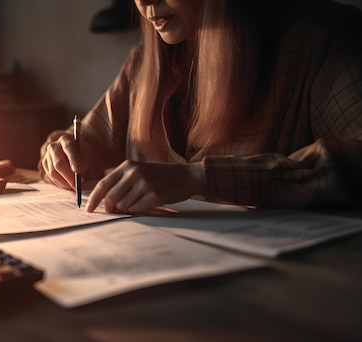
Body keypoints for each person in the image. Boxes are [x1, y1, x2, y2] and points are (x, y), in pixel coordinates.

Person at [39, 0, 362, 214]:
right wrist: (62, 154)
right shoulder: (144, 64)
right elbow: (84, 143)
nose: (146, 1)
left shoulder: (319, 40)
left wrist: (200, 178)